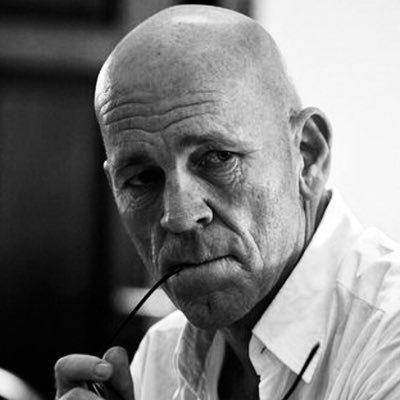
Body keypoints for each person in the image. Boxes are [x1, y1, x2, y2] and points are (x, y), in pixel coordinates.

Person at [54, 5, 400, 400]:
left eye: (217, 158)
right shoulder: (161, 355)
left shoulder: (387, 339)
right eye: (142, 178)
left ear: (307, 155)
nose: (179, 216)